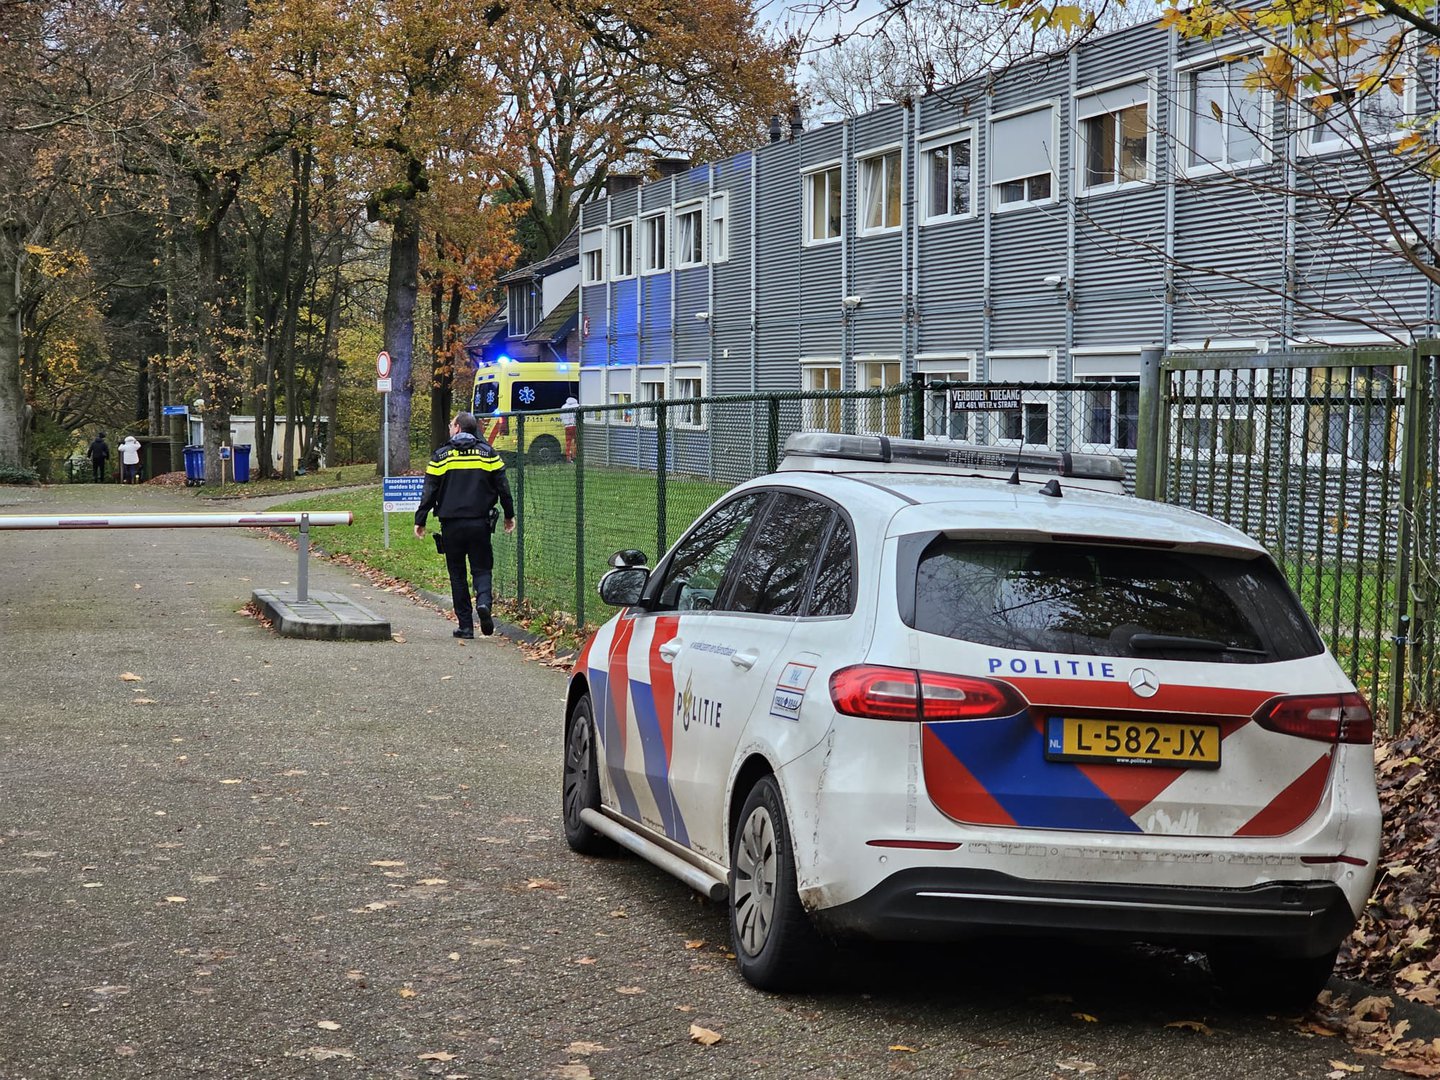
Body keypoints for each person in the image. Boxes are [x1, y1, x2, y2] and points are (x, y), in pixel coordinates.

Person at [414, 412, 516, 638]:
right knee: (482, 568)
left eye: (451, 425)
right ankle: (484, 604)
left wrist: (420, 519)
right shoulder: (488, 454)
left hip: (451, 525)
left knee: (457, 574)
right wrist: (510, 515)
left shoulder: (441, 456)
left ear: (458, 428)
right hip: (480, 523)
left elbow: (429, 490)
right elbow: (503, 487)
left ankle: (466, 626)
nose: (450, 428)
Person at [560, 395, 579, 462]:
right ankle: (575, 456)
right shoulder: (577, 406)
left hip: (567, 426)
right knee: (576, 442)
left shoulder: (563, 406)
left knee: (568, 442)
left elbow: (561, 417)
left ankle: (568, 457)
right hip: (575, 426)